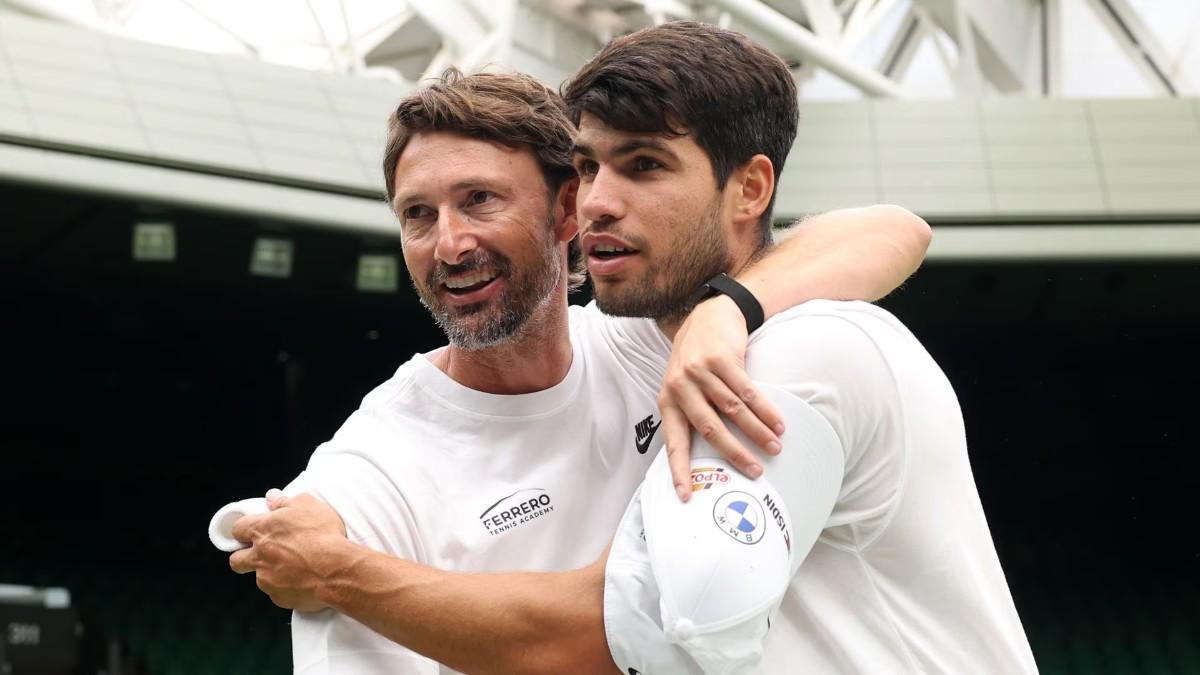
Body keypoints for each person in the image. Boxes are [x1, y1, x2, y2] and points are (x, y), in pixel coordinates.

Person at [228, 31, 942, 675]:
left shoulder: (659, 338)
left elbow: (894, 229)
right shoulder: (364, 479)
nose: (448, 244)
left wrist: (726, 309)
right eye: (418, 214)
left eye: (479, 200)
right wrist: (331, 563)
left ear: (565, 211)